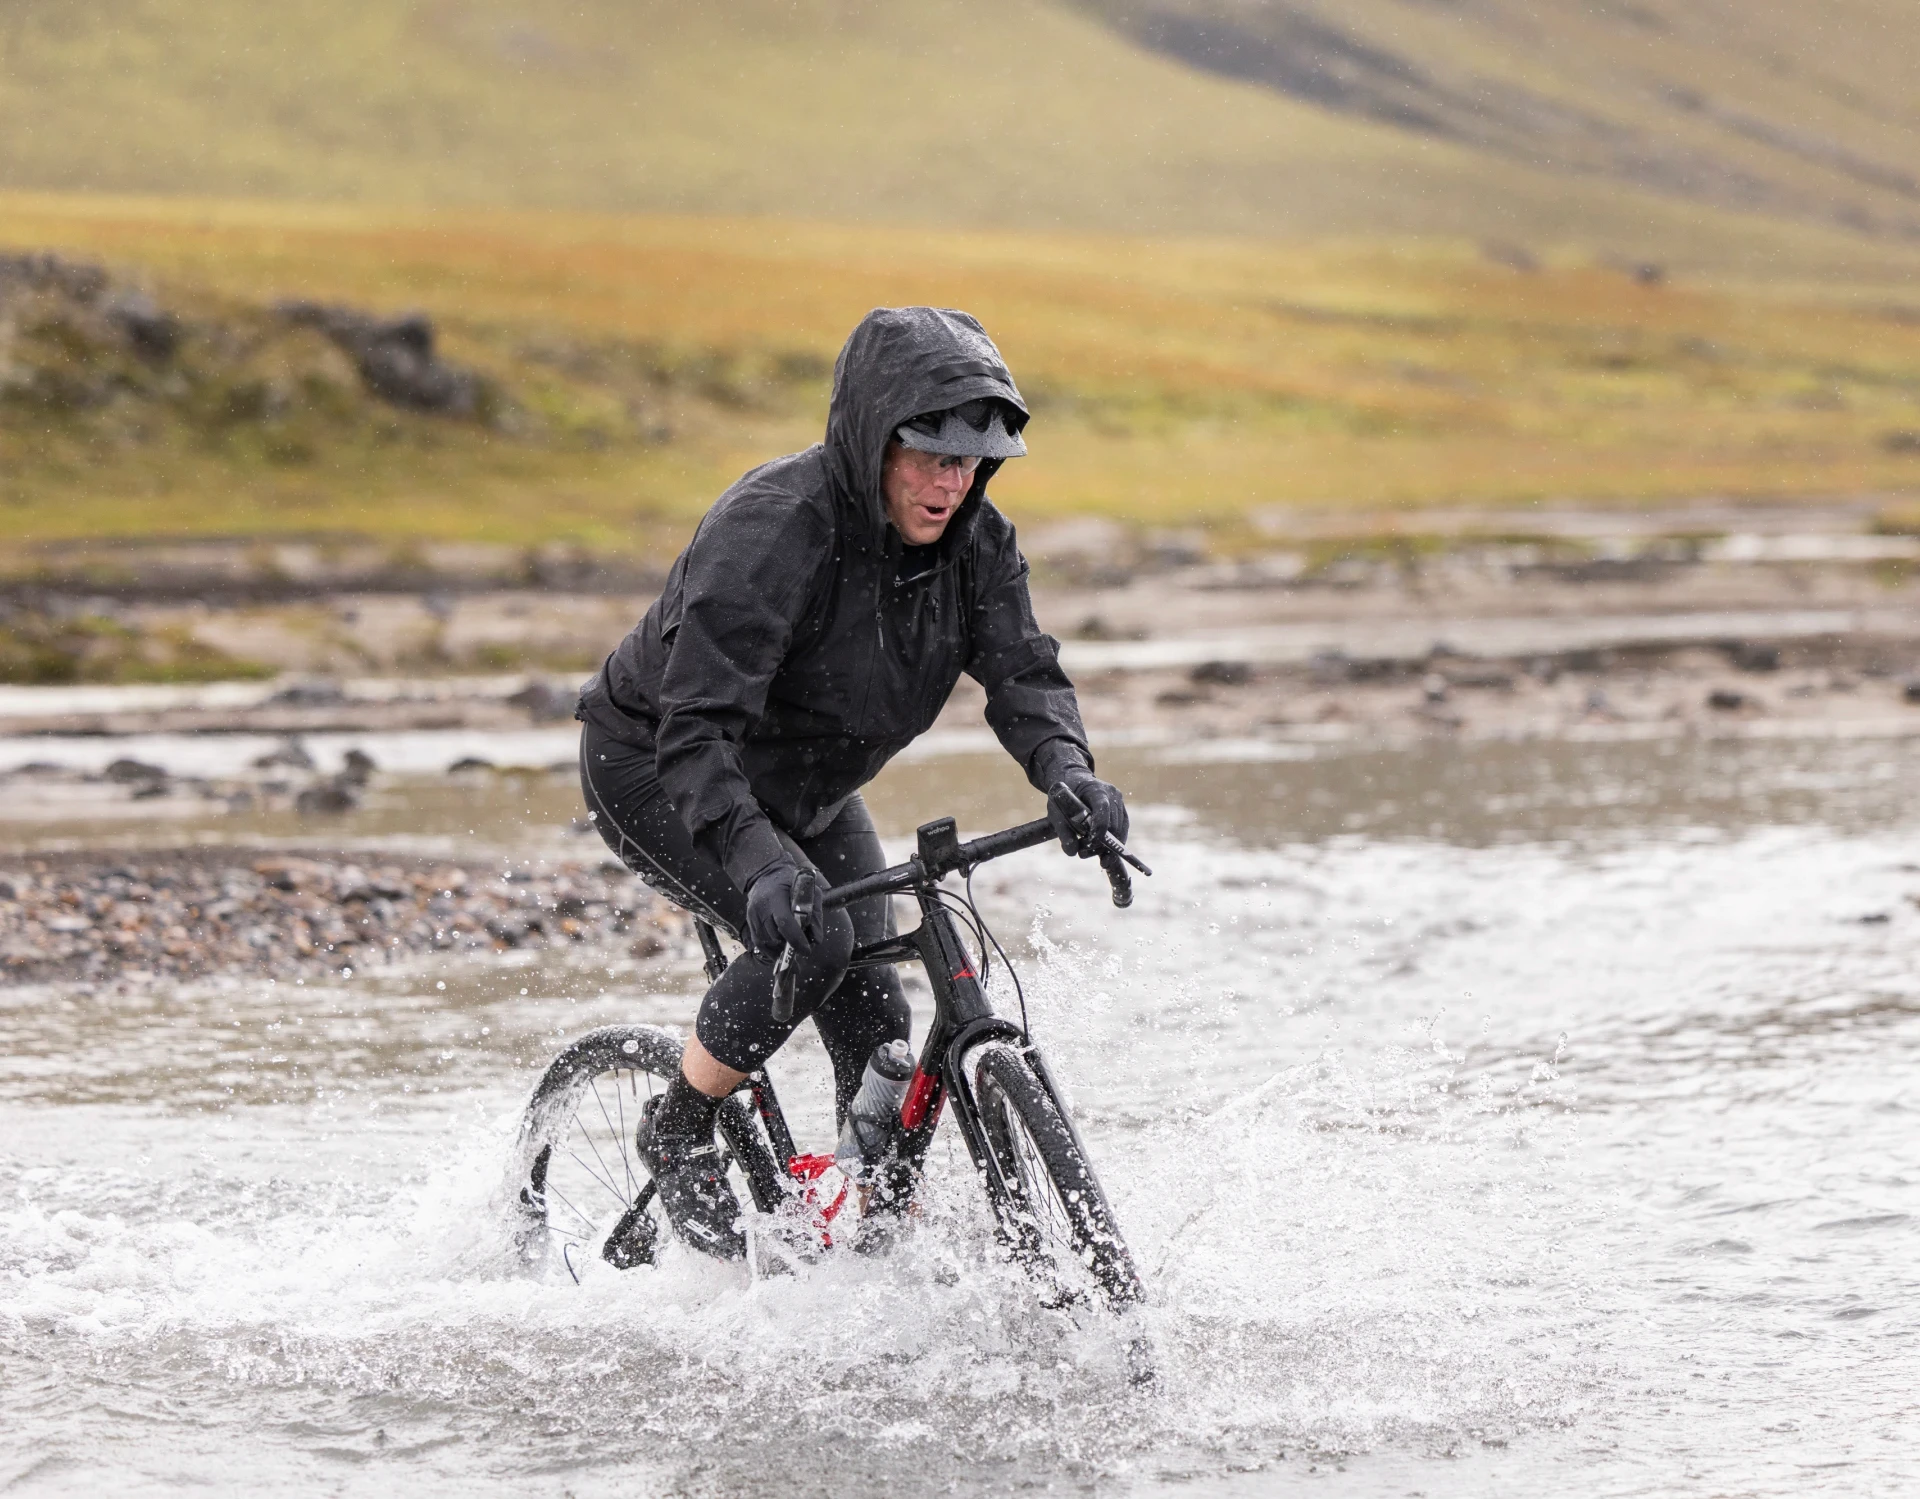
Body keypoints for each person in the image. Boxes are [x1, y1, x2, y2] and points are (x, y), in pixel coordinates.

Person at [575, 306, 1127, 1259]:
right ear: (875, 440)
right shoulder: (773, 530)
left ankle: (864, 1247)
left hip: (810, 787)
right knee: (817, 934)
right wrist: (757, 865)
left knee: (879, 1020)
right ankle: (676, 1123)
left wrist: (1071, 774)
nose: (950, 483)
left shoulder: (978, 546)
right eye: (928, 455)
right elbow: (695, 728)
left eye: (969, 462)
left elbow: (1025, 675)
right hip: (659, 761)